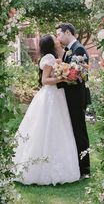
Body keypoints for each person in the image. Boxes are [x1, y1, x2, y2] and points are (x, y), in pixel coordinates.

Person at [12, 34, 80, 185]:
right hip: (51, 96)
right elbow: (45, 81)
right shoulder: (49, 57)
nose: (57, 40)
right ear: (50, 44)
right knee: (48, 127)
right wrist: (62, 78)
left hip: (56, 95)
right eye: (54, 39)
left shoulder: (52, 56)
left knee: (58, 127)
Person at [56, 23, 90, 178]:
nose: (58, 37)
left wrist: (56, 80)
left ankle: (85, 169)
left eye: (59, 34)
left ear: (68, 32)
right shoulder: (70, 50)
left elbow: (76, 77)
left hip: (77, 98)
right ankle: (76, 165)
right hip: (70, 97)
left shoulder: (79, 49)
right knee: (73, 131)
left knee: (80, 132)